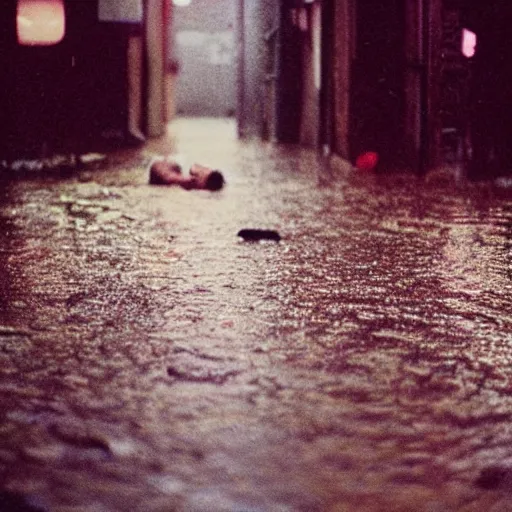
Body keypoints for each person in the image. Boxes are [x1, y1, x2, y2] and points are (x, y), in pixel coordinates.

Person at [149, 159, 225, 191]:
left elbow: (194, 166)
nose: (204, 169)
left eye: (205, 170)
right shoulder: (192, 181)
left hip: (159, 171)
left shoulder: (191, 181)